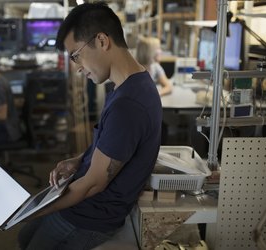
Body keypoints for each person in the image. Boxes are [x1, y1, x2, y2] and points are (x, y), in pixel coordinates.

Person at [18, 2, 162, 250]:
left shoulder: (128, 104)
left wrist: (31, 210)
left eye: (76, 55)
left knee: (27, 237)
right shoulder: (127, 85)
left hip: (90, 217)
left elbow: (93, 185)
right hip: (85, 203)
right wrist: (78, 160)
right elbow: (112, 145)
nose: (77, 68)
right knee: (24, 237)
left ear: (102, 41)